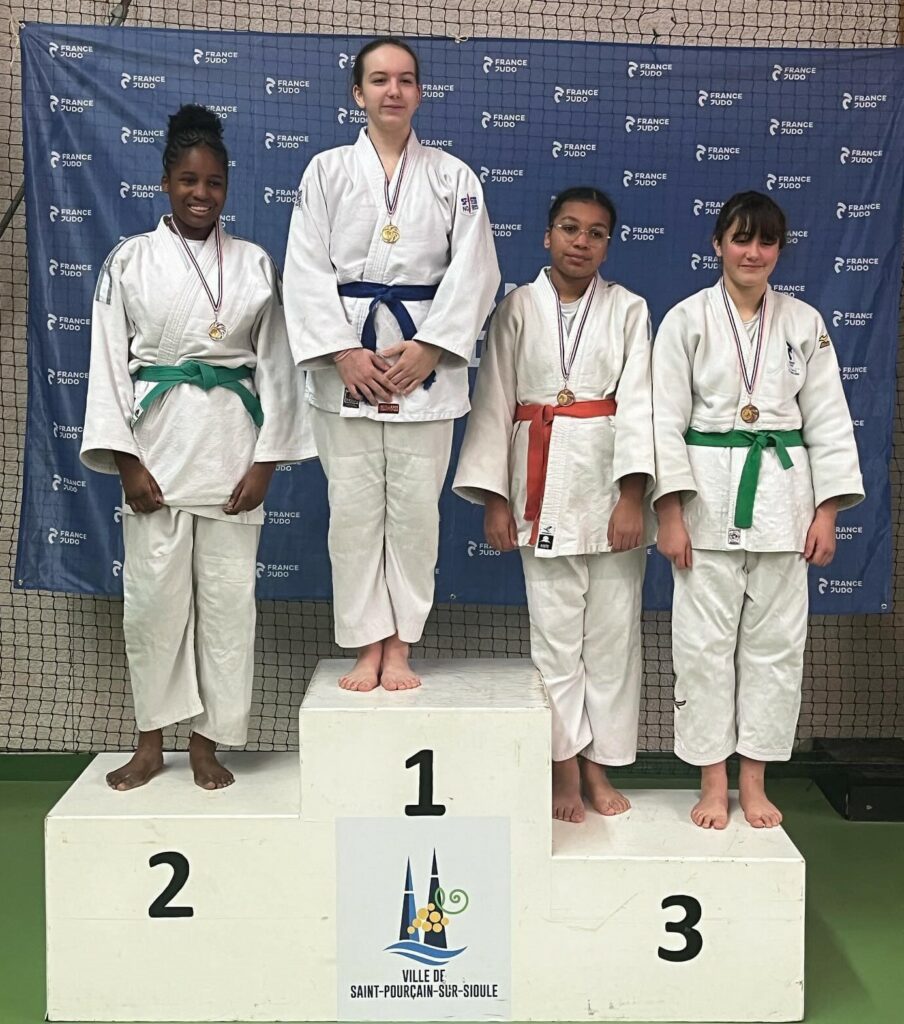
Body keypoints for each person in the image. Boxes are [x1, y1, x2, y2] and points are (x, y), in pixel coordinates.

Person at [81, 104, 308, 791]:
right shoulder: (129, 260)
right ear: (165, 183)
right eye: (188, 180)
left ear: (227, 187)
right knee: (153, 608)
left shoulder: (254, 264)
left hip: (231, 454)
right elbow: (108, 365)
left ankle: (207, 742)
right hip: (157, 451)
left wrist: (267, 462)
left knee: (229, 609)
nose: (201, 194)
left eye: (213, 182)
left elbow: (278, 367)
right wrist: (126, 461)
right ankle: (150, 741)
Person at [283, 37, 499, 692]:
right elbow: (303, 269)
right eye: (379, 79)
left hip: (424, 370)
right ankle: (366, 644)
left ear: (420, 93)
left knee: (414, 516)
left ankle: (401, 644)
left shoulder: (454, 177)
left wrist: (431, 346)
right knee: (352, 514)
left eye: (405, 79)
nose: (393, 91)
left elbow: (476, 271)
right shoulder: (325, 171)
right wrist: (343, 352)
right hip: (346, 370)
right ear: (358, 93)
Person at [652, 190, 864, 829]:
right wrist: (669, 512)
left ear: (779, 250)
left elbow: (829, 420)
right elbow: (663, 420)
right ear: (717, 244)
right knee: (702, 648)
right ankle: (712, 781)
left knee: (776, 649)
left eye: (766, 241)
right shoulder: (686, 320)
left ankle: (754, 779)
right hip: (705, 502)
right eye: (741, 239)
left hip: (783, 503)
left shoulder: (804, 321)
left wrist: (827, 511)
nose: (753, 252)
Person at [453, 187, 654, 823]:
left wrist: (633, 497)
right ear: (547, 235)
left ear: (608, 245)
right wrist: (496, 500)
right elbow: (494, 402)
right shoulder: (516, 308)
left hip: (609, 485)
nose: (581, 242)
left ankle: (600, 767)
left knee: (613, 641)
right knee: (555, 643)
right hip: (539, 489)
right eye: (570, 228)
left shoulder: (629, 308)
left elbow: (641, 405)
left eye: (596, 233)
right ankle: (563, 767)